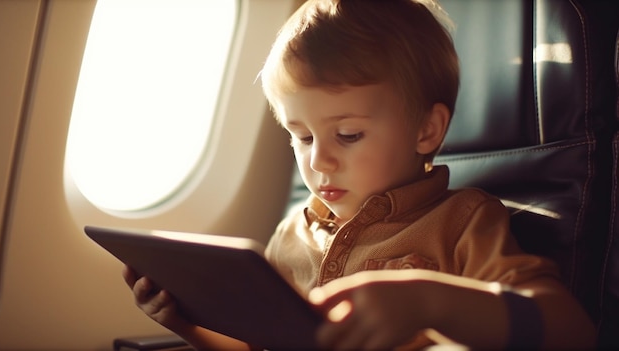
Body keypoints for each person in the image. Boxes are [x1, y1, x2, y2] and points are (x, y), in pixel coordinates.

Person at [123, 0, 596, 349]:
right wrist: (184, 323)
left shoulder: (464, 221)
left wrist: (431, 303)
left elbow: (569, 330)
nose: (319, 161)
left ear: (426, 129)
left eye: (348, 135)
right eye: (303, 137)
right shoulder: (293, 234)